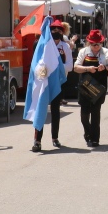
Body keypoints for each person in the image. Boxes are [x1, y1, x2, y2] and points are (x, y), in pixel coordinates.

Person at [31, 19, 73, 151]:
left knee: (55, 111)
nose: (55, 32)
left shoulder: (64, 46)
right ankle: (37, 141)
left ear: (62, 32)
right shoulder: (42, 45)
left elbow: (69, 66)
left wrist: (56, 69)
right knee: (41, 110)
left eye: (58, 30)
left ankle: (55, 138)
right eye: (53, 30)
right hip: (43, 82)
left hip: (58, 82)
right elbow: (36, 62)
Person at [74, 29, 108, 147]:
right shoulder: (83, 52)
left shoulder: (106, 52)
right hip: (86, 85)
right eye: (93, 44)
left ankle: (95, 138)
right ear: (89, 43)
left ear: (101, 43)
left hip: (99, 86)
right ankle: (87, 133)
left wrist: (106, 68)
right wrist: (87, 69)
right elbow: (76, 68)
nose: (96, 46)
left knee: (96, 112)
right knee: (84, 114)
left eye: (98, 44)